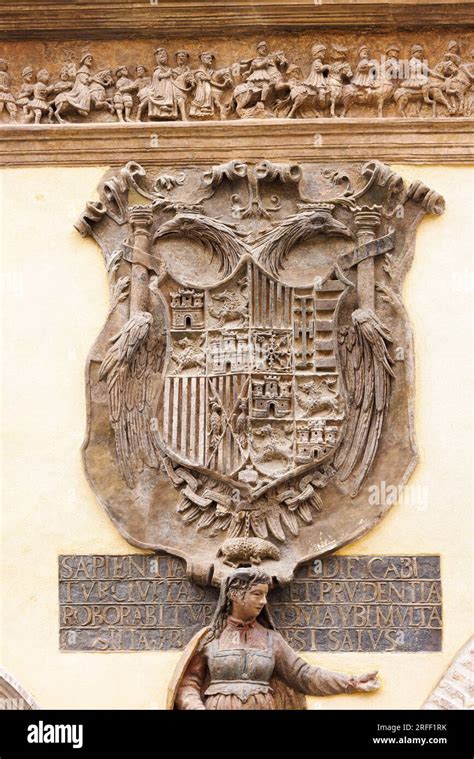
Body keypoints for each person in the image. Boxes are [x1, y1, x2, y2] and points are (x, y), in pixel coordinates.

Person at [169, 567, 380, 710]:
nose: (264, 601)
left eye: (265, 594)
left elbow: (304, 675)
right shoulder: (210, 638)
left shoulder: (271, 639)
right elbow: (189, 684)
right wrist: (196, 708)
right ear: (234, 595)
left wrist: (350, 682)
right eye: (256, 594)